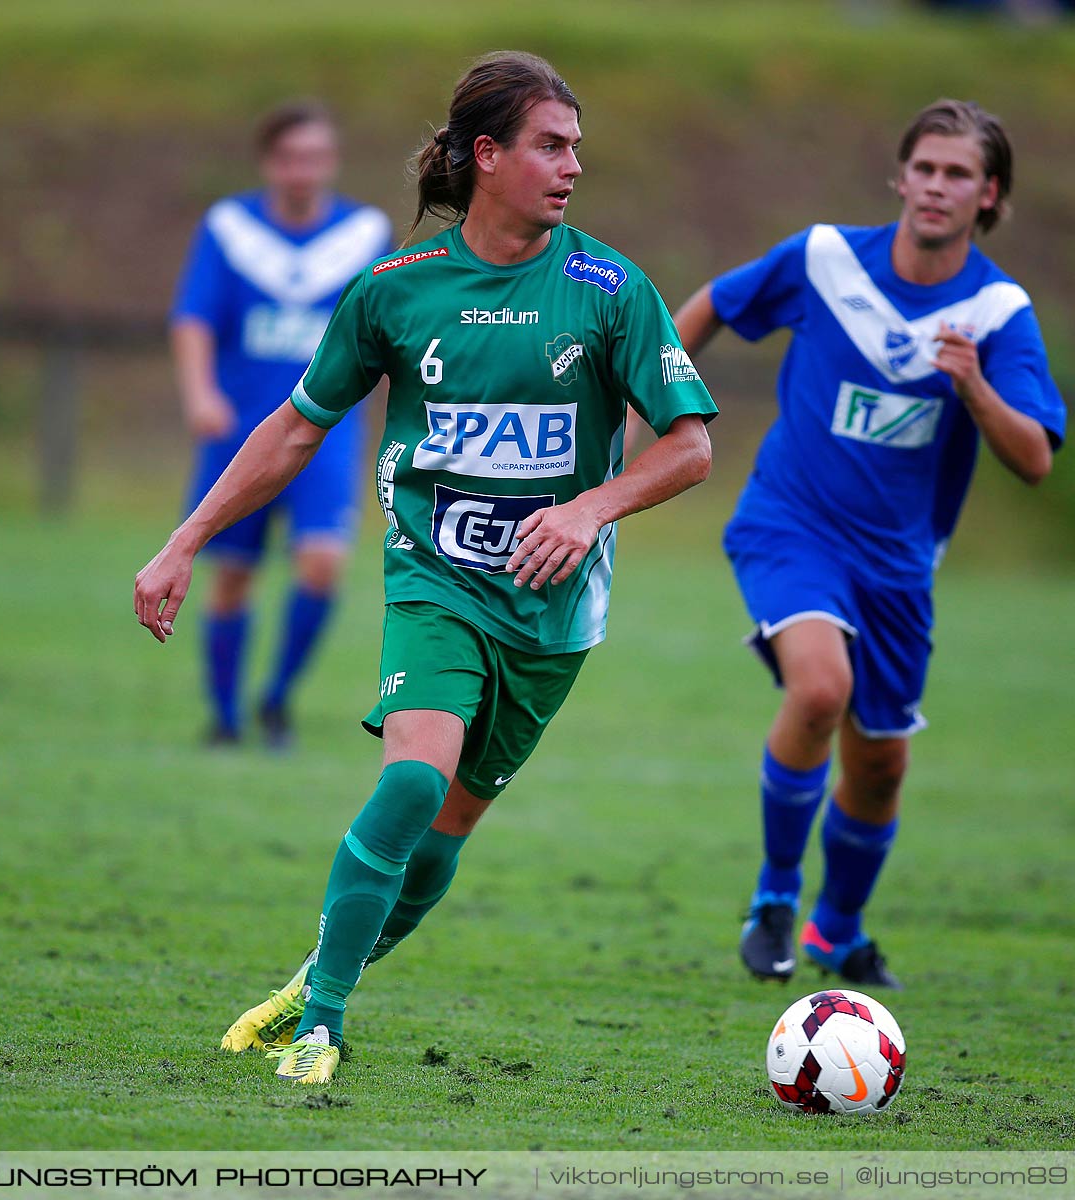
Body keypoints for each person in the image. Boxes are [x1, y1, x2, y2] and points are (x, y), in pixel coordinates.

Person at [134, 51, 717, 1084]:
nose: (573, 165)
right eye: (551, 144)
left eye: (577, 146)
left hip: (552, 613)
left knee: (443, 840)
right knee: (411, 781)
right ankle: (323, 1020)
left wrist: (589, 506)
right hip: (433, 581)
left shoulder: (610, 289)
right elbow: (293, 430)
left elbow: (690, 445)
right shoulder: (395, 293)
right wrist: (184, 541)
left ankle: (314, 972)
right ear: (486, 156)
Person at [673, 100, 1065, 990]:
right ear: (900, 177)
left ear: (989, 193)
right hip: (790, 523)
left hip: (897, 567)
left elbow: (1034, 459)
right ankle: (775, 898)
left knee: (880, 763)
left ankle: (834, 931)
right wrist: (659, 402)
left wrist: (974, 388)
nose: (936, 186)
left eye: (957, 173)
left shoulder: (997, 313)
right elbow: (709, 307)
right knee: (821, 687)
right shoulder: (822, 261)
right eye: (924, 167)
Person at [168, 101, 394, 749]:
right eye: (292, 157)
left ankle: (276, 699)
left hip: (327, 434)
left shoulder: (363, 234)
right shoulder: (231, 228)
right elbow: (194, 318)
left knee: (322, 563)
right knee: (233, 575)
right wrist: (199, 393)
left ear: (333, 163)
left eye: (317, 158)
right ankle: (225, 717)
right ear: (270, 161)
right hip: (239, 430)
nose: (304, 171)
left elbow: (384, 328)